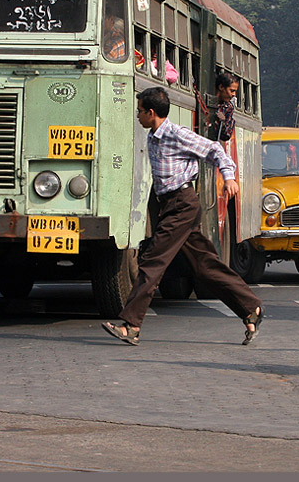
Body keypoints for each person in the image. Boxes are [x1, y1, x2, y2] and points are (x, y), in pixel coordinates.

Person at [101, 87, 264, 346]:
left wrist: (229, 177)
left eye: (140, 111)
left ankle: (131, 325)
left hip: (182, 204)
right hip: (169, 205)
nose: (137, 116)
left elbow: (215, 150)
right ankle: (250, 307)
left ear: (151, 113)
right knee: (204, 265)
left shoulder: (177, 134)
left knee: (153, 261)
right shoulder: (153, 137)